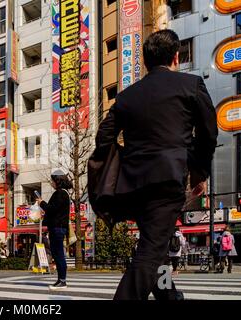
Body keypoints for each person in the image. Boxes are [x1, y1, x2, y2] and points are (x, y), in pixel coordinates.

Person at [91, 29, 218, 300]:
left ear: (146, 61)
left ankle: (169, 296)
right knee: (150, 251)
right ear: (176, 57)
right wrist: (198, 173)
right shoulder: (191, 85)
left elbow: (103, 137)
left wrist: (127, 160)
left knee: (154, 243)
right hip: (168, 179)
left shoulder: (126, 97)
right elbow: (208, 134)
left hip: (133, 185)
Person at [36, 171, 73, 290]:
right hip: (59, 227)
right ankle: (60, 280)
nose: (51, 182)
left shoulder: (60, 193)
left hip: (57, 228)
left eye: (52, 180)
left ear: (58, 181)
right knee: (57, 254)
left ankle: (62, 281)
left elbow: (51, 209)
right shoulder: (64, 193)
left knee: (58, 254)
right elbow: (55, 211)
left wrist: (41, 203)